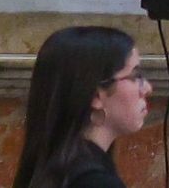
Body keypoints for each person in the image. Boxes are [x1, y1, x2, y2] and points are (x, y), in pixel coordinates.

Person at [12, 26, 152, 188]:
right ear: (96, 95)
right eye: (135, 76)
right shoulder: (95, 183)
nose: (147, 88)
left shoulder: (52, 166)